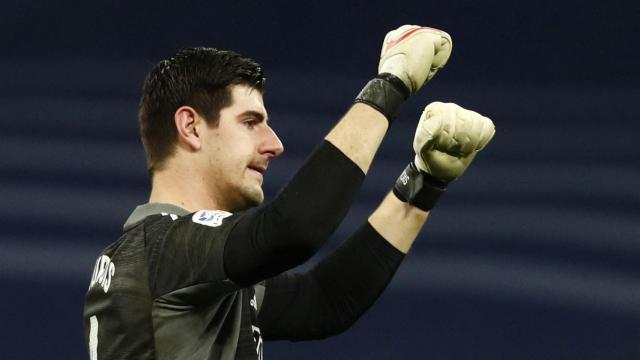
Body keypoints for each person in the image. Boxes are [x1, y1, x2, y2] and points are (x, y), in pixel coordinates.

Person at [83, 24, 495, 360]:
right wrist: (390, 84)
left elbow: (325, 300)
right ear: (191, 128)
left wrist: (421, 184)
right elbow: (294, 229)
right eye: (250, 122)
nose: (274, 143)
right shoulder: (161, 248)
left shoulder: (174, 262)